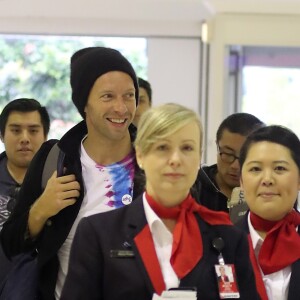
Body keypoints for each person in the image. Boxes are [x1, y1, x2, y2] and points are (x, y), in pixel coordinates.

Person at [61, 103, 259, 300]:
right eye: (163, 147)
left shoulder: (230, 239)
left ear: (199, 156)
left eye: (187, 148)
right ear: (140, 155)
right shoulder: (99, 234)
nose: (175, 159)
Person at [0, 47, 145, 300]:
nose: (121, 108)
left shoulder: (152, 160)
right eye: (108, 96)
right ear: (84, 104)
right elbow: (12, 244)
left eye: (129, 95)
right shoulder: (54, 159)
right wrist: (41, 209)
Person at [237, 125, 300, 300]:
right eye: (255, 169)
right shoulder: (217, 244)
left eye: (280, 168)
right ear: (241, 180)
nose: (267, 180)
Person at [0, 98, 50, 283]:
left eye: (33, 130)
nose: (24, 138)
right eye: (15, 130)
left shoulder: (60, 182)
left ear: (45, 136)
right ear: (2, 135)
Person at [197, 113, 264, 213]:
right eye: (228, 154)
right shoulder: (194, 188)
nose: (235, 166)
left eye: (244, 157)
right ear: (217, 145)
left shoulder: (268, 192)